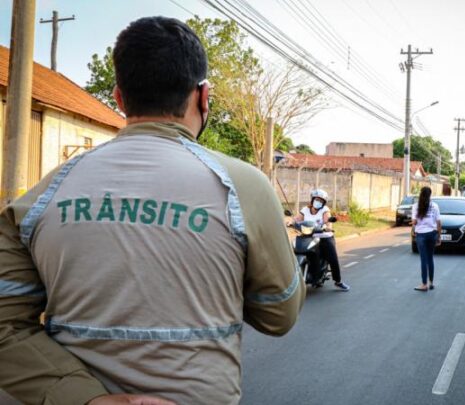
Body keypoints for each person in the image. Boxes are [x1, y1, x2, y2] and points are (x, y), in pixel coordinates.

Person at [0, 17, 304, 405]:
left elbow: (5, 327)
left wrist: (85, 398)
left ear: (120, 98)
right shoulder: (243, 186)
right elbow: (279, 317)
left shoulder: (39, 198)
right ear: (203, 96)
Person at [293, 189, 350, 291]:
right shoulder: (305, 210)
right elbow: (297, 219)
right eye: (317, 199)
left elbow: (327, 220)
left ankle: (338, 281)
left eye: (321, 201)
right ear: (312, 199)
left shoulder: (325, 210)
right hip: (309, 236)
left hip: (324, 236)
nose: (318, 202)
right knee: (294, 249)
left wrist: (327, 226)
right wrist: (291, 223)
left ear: (324, 203)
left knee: (333, 258)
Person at [411, 187, 441, 291]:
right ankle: (431, 283)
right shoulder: (435, 206)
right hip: (432, 234)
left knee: (423, 260)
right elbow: (438, 222)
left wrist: (412, 225)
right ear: (430, 194)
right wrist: (439, 236)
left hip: (421, 235)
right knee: (430, 258)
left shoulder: (415, 206)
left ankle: (424, 285)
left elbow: (414, 222)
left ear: (420, 194)